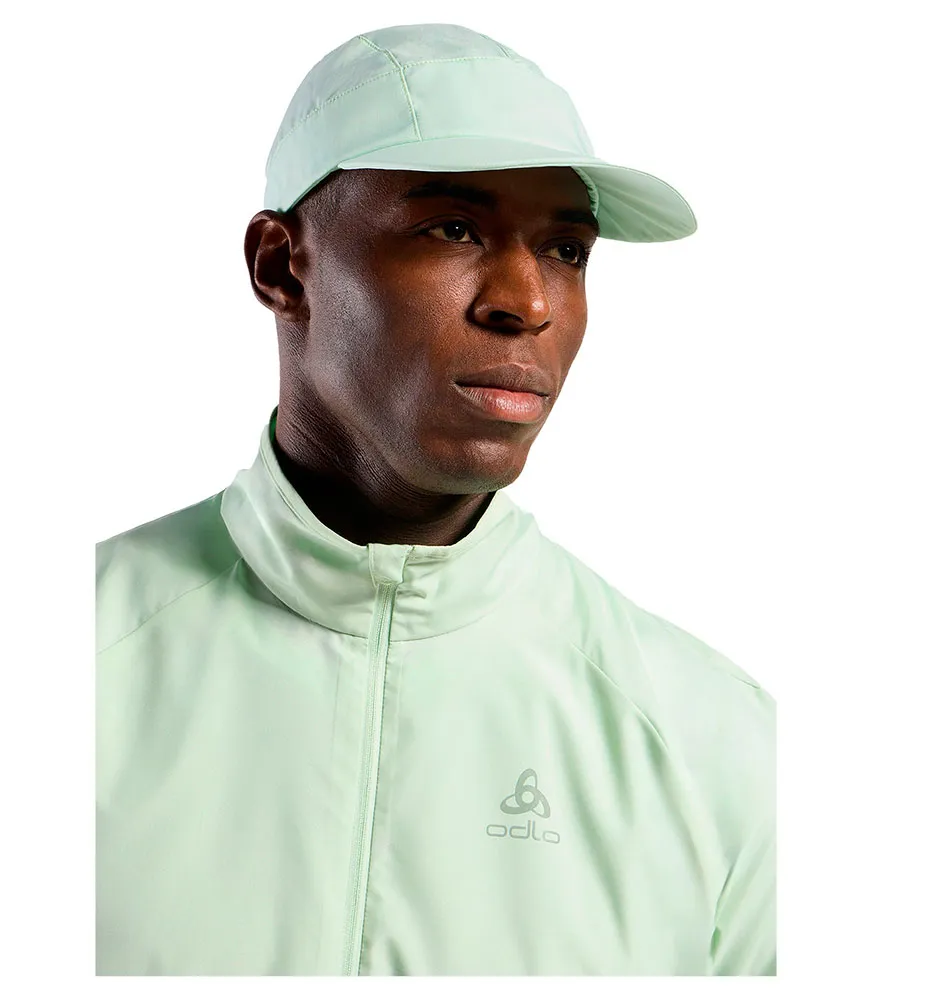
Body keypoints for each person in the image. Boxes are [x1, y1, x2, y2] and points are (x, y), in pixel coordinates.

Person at [96, 22, 776, 976]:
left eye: (566, 249)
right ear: (281, 267)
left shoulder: (716, 741)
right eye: (454, 228)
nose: (526, 302)